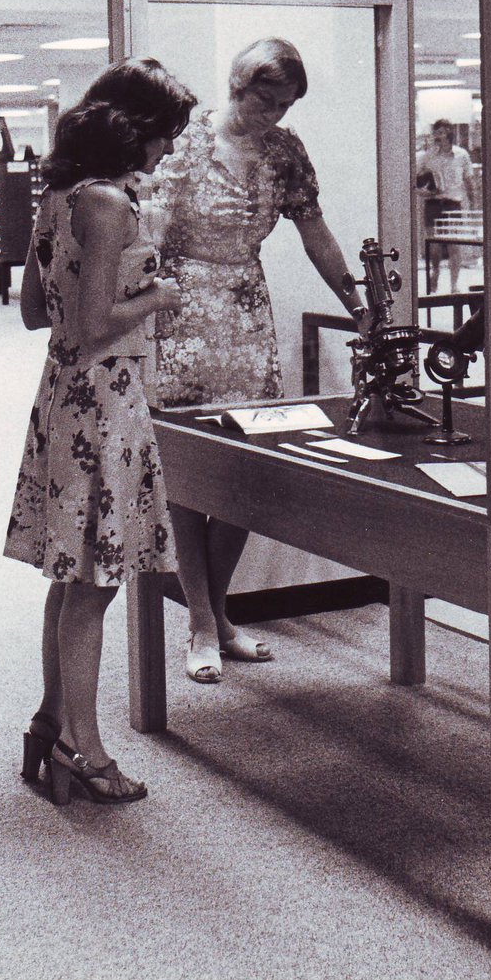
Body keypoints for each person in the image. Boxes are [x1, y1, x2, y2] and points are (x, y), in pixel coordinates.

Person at [145, 36, 369, 685]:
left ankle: (217, 613)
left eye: (284, 106)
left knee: (247, 473)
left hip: (246, 317)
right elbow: (143, 231)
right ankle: (200, 620)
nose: (273, 116)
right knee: (190, 477)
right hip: (180, 317)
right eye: (264, 102)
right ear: (237, 87)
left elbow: (315, 231)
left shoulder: (285, 152)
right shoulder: (182, 141)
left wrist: (357, 303)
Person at [5, 57, 195, 804]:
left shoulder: (60, 196)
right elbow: (94, 325)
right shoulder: (111, 203)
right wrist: (157, 295)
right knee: (93, 588)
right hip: (106, 402)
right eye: (165, 133)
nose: (168, 148)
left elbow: (34, 312)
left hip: (62, 395)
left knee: (73, 575)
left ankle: (50, 721)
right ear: (133, 128)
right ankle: (84, 748)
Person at [416, 118, 477, 293]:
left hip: (452, 204)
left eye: (441, 133)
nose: (438, 137)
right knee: (434, 246)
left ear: (449, 133)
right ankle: (435, 272)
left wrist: (472, 202)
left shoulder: (461, 155)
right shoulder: (427, 156)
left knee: (454, 245)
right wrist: (424, 191)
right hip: (433, 204)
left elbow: (469, 180)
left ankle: (454, 285)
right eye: (436, 133)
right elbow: (416, 181)